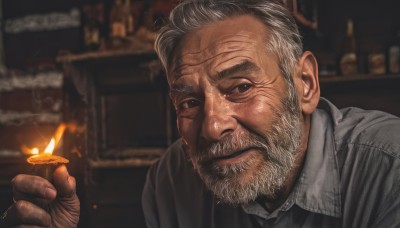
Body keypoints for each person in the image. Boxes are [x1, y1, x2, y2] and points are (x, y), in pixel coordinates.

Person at [1, 0, 400, 227]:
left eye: (241, 88)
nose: (211, 125)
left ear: (306, 85)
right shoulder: (172, 181)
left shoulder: (388, 169)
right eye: (189, 102)